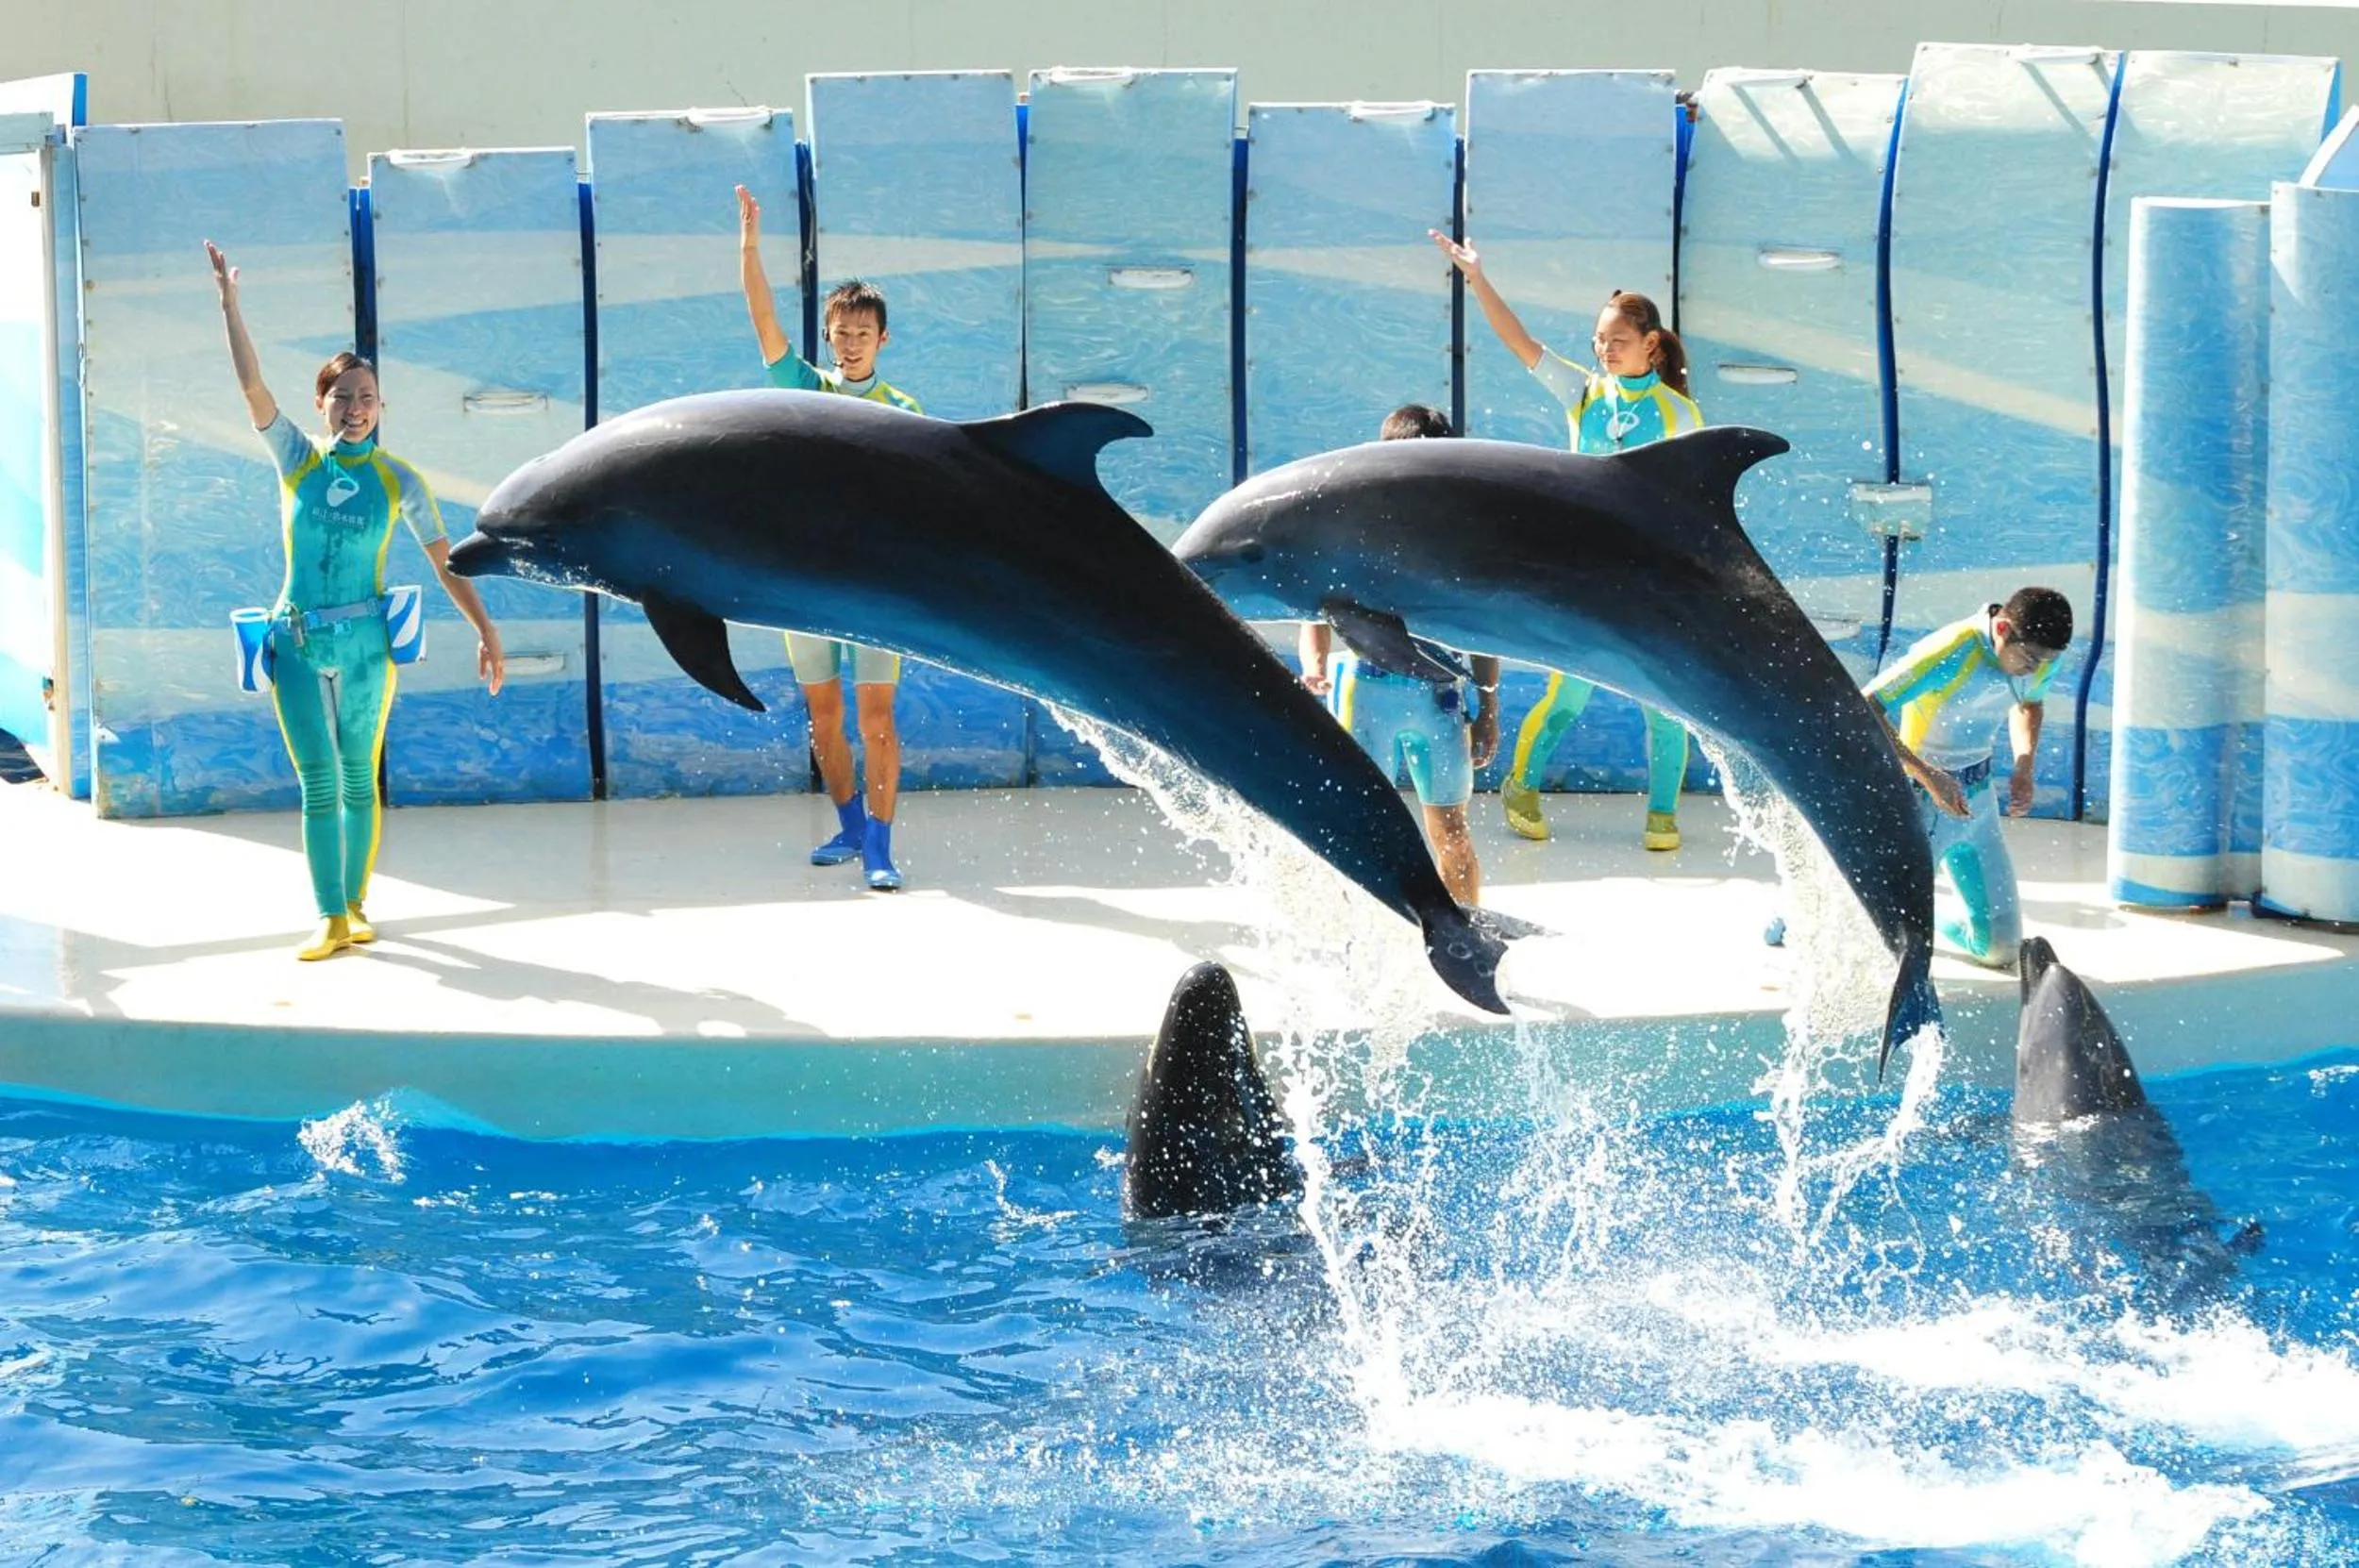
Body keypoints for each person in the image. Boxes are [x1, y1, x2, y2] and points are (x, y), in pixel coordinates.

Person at [206, 240, 506, 961]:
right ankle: (330, 915)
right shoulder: (298, 460)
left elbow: (447, 563)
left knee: (356, 778)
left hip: (369, 645)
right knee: (315, 782)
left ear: (381, 407)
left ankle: (359, 905)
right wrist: (230, 306)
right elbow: (251, 389)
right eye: (343, 397)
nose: (356, 408)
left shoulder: (401, 480)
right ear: (321, 403)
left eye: (367, 398)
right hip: (298, 642)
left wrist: (487, 632)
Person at [1430, 229, 1704, 851]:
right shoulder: (1584, 392)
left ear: (1652, 346)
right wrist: (1477, 278)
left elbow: (1687, 510)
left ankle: (1663, 812)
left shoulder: (1680, 416)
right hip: (1583, 576)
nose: (1605, 349)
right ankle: (1520, 784)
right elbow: (1519, 342)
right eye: (1599, 340)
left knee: (1664, 702)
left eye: (1617, 340)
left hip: (1646, 581)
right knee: (1568, 692)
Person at [737, 185, 923, 892]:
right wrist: (751, 248)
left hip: (875, 590)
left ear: (882, 340)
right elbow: (761, 319)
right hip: (805, 587)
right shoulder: (802, 386)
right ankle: (846, 823)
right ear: (828, 334)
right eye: (839, 332)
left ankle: (880, 842)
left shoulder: (904, 412)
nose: (849, 344)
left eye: (862, 333)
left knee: (876, 717)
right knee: (823, 716)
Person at [1297, 405, 1501, 905]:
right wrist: (1315, 665)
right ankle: (1355, 933)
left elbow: (1483, 633)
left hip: (1442, 700)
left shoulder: (1459, 538)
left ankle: (1466, 935)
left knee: (1452, 833)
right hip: (1366, 693)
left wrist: (1489, 708)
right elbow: (1316, 610)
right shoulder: (1355, 529)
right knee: (1362, 833)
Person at [1849, 587, 2074, 969]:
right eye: (2031, 659)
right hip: (1922, 799)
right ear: (2003, 628)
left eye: (2047, 662)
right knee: (1890, 944)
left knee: (2001, 950)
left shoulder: (2039, 655)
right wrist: (1929, 775)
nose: (2037, 669)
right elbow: (1866, 705)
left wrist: (2024, 763)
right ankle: (1800, 915)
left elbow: (2030, 702)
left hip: (1978, 803)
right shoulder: (1953, 650)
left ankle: (1939, 924)